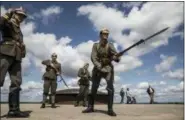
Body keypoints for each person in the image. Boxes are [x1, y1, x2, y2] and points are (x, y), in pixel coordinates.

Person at [82, 28, 121, 116]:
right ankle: (90, 106)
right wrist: (99, 65)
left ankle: (110, 109)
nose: (105, 35)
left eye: (107, 34)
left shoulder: (110, 45)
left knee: (110, 88)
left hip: (108, 69)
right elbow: (93, 57)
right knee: (93, 88)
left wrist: (116, 57)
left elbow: (116, 56)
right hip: (97, 69)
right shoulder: (95, 45)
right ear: (100, 35)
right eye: (104, 34)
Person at [0, 7, 30, 118]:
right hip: (5, 52)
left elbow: (20, 42)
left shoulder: (19, 30)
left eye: (23, 16)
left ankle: (14, 110)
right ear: (14, 14)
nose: (21, 18)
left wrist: (22, 49)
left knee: (16, 82)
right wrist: (8, 13)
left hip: (17, 57)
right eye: (19, 15)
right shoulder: (8, 22)